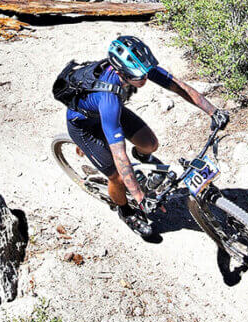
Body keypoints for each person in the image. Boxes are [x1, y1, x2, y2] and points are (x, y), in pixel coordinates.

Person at [66, 35, 228, 238]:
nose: (144, 79)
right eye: (138, 76)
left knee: (150, 144)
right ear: (120, 73)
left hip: (107, 113)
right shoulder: (109, 99)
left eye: (145, 73)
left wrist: (213, 111)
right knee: (117, 176)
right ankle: (125, 211)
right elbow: (120, 156)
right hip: (85, 126)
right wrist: (140, 197)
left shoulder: (138, 70)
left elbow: (179, 87)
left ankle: (144, 164)